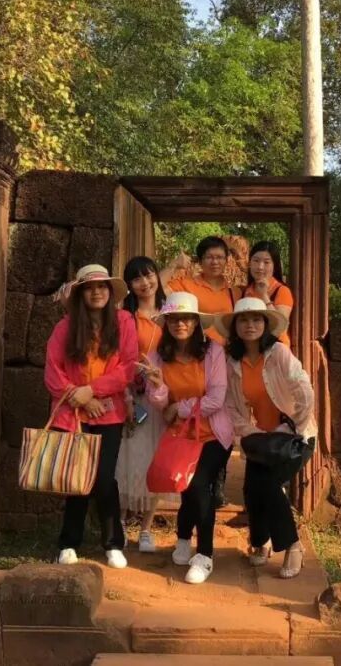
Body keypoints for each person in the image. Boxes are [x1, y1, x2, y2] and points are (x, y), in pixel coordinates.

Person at [44, 263, 136, 569]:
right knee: (76, 479)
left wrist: (92, 391)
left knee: (104, 479)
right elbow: (53, 372)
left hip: (109, 412)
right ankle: (69, 542)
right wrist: (80, 397)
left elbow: (127, 367)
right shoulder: (65, 328)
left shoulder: (124, 322)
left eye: (102, 286)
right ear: (81, 294)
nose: (96, 292)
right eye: (90, 288)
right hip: (73, 414)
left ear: (110, 292)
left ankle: (113, 542)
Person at [217, 297, 317, 579]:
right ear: (235, 327)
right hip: (262, 440)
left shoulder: (279, 353)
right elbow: (230, 405)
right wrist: (251, 432)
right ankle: (261, 542)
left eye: (256, 319)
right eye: (243, 320)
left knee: (270, 486)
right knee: (252, 489)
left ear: (265, 324)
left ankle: (293, 545)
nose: (250, 325)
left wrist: (293, 428)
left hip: (296, 438)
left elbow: (305, 392)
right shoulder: (232, 362)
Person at [146, 291, 233, 584]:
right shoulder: (158, 356)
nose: (180, 323)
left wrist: (179, 408)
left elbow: (216, 398)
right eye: (174, 318)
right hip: (181, 436)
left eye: (186, 318)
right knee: (186, 488)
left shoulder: (213, 352)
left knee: (198, 486)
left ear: (196, 322)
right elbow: (159, 403)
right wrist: (159, 389)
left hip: (213, 434)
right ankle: (183, 538)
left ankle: (204, 555)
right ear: (166, 322)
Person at [163, 235, 238, 508]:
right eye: (209, 257)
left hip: (227, 361)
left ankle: (218, 478)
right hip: (198, 357)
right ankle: (194, 471)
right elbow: (159, 286)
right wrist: (175, 263)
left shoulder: (235, 291)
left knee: (225, 418)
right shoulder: (188, 284)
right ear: (200, 260)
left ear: (227, 261)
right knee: (202, 412)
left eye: (220, 257)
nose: (214, 262)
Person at [115, 255, 178, 552]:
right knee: (126, 459)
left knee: (155, 462)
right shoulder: (125, 318)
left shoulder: (170, 314)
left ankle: (146, 529)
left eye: (149, 274)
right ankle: (119, 524)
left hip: (160, 396)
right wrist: (126, 395)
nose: (145, 282)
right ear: (129, 285)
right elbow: (118, 359)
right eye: (137, 278)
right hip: (131, 396)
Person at [235, 241, 293, 347]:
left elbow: (281, 327)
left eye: (266, 262)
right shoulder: (244, 292)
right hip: (250, 349)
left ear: (274, 266)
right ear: (249, 264)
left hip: (275, 348)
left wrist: (264, 296)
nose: (260, 267)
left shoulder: (282, 291)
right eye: (256, 261)